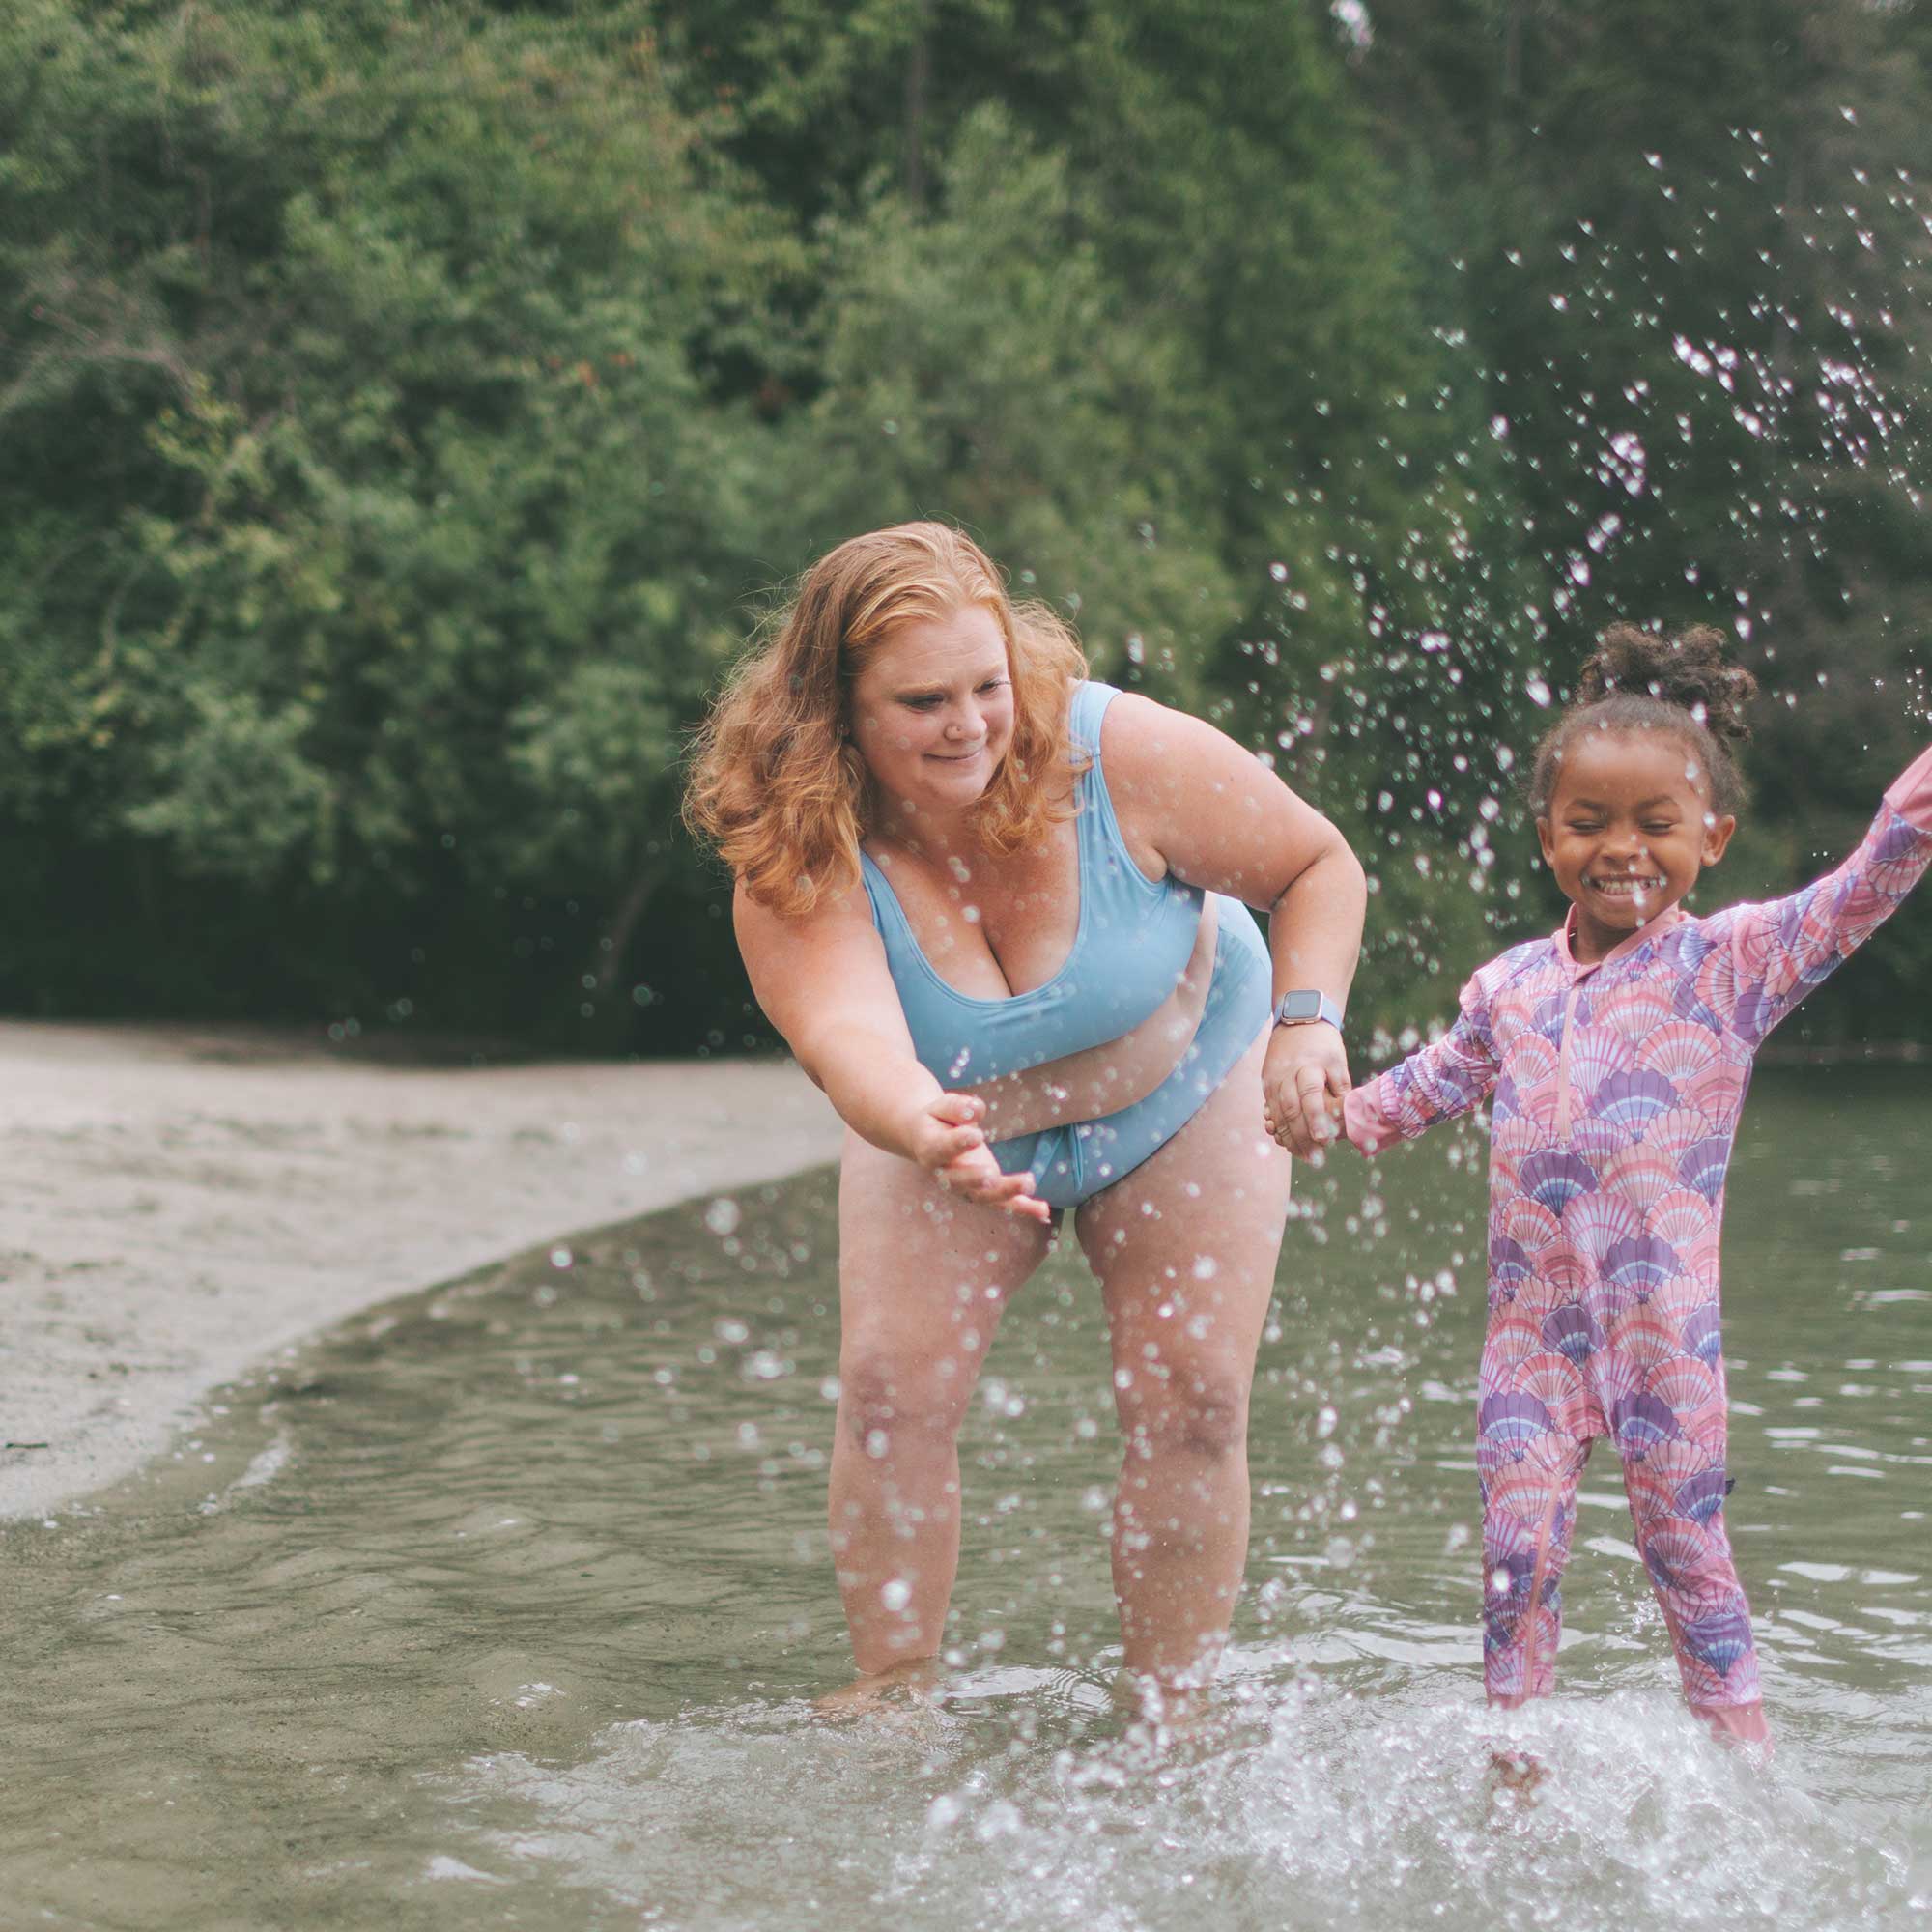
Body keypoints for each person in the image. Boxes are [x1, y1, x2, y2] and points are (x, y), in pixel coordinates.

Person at [684, 522, 1365, 1704]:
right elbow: (846, 1035)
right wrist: (920, 1123)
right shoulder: (796, 845)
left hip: (1186, 1081)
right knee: (891, 1397)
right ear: (834, 707)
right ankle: (892, 1696)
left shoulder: (1117, 753)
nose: (969, 726)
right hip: (944, 1124)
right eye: (921, 701)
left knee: (1192, 1399)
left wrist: (1308, 1020)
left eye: (986, 686)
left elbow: (1316, 864)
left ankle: (1171, 1708)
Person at [1316, 624, 1932, 1750]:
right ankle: (1513, 1766)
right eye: (1588, 821)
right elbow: (1428, 1080)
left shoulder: (1732, 966)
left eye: (1655, 823)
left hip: (1664, 1340)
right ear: (1547, 833)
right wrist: (1331, 1108)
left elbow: (1863, 884)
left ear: (1713, 834)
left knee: (1686, 1552)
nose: (1621, 848)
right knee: (1514, 1557)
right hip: (1530, 1343)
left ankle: (1742, 1760)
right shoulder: (1507, 986)